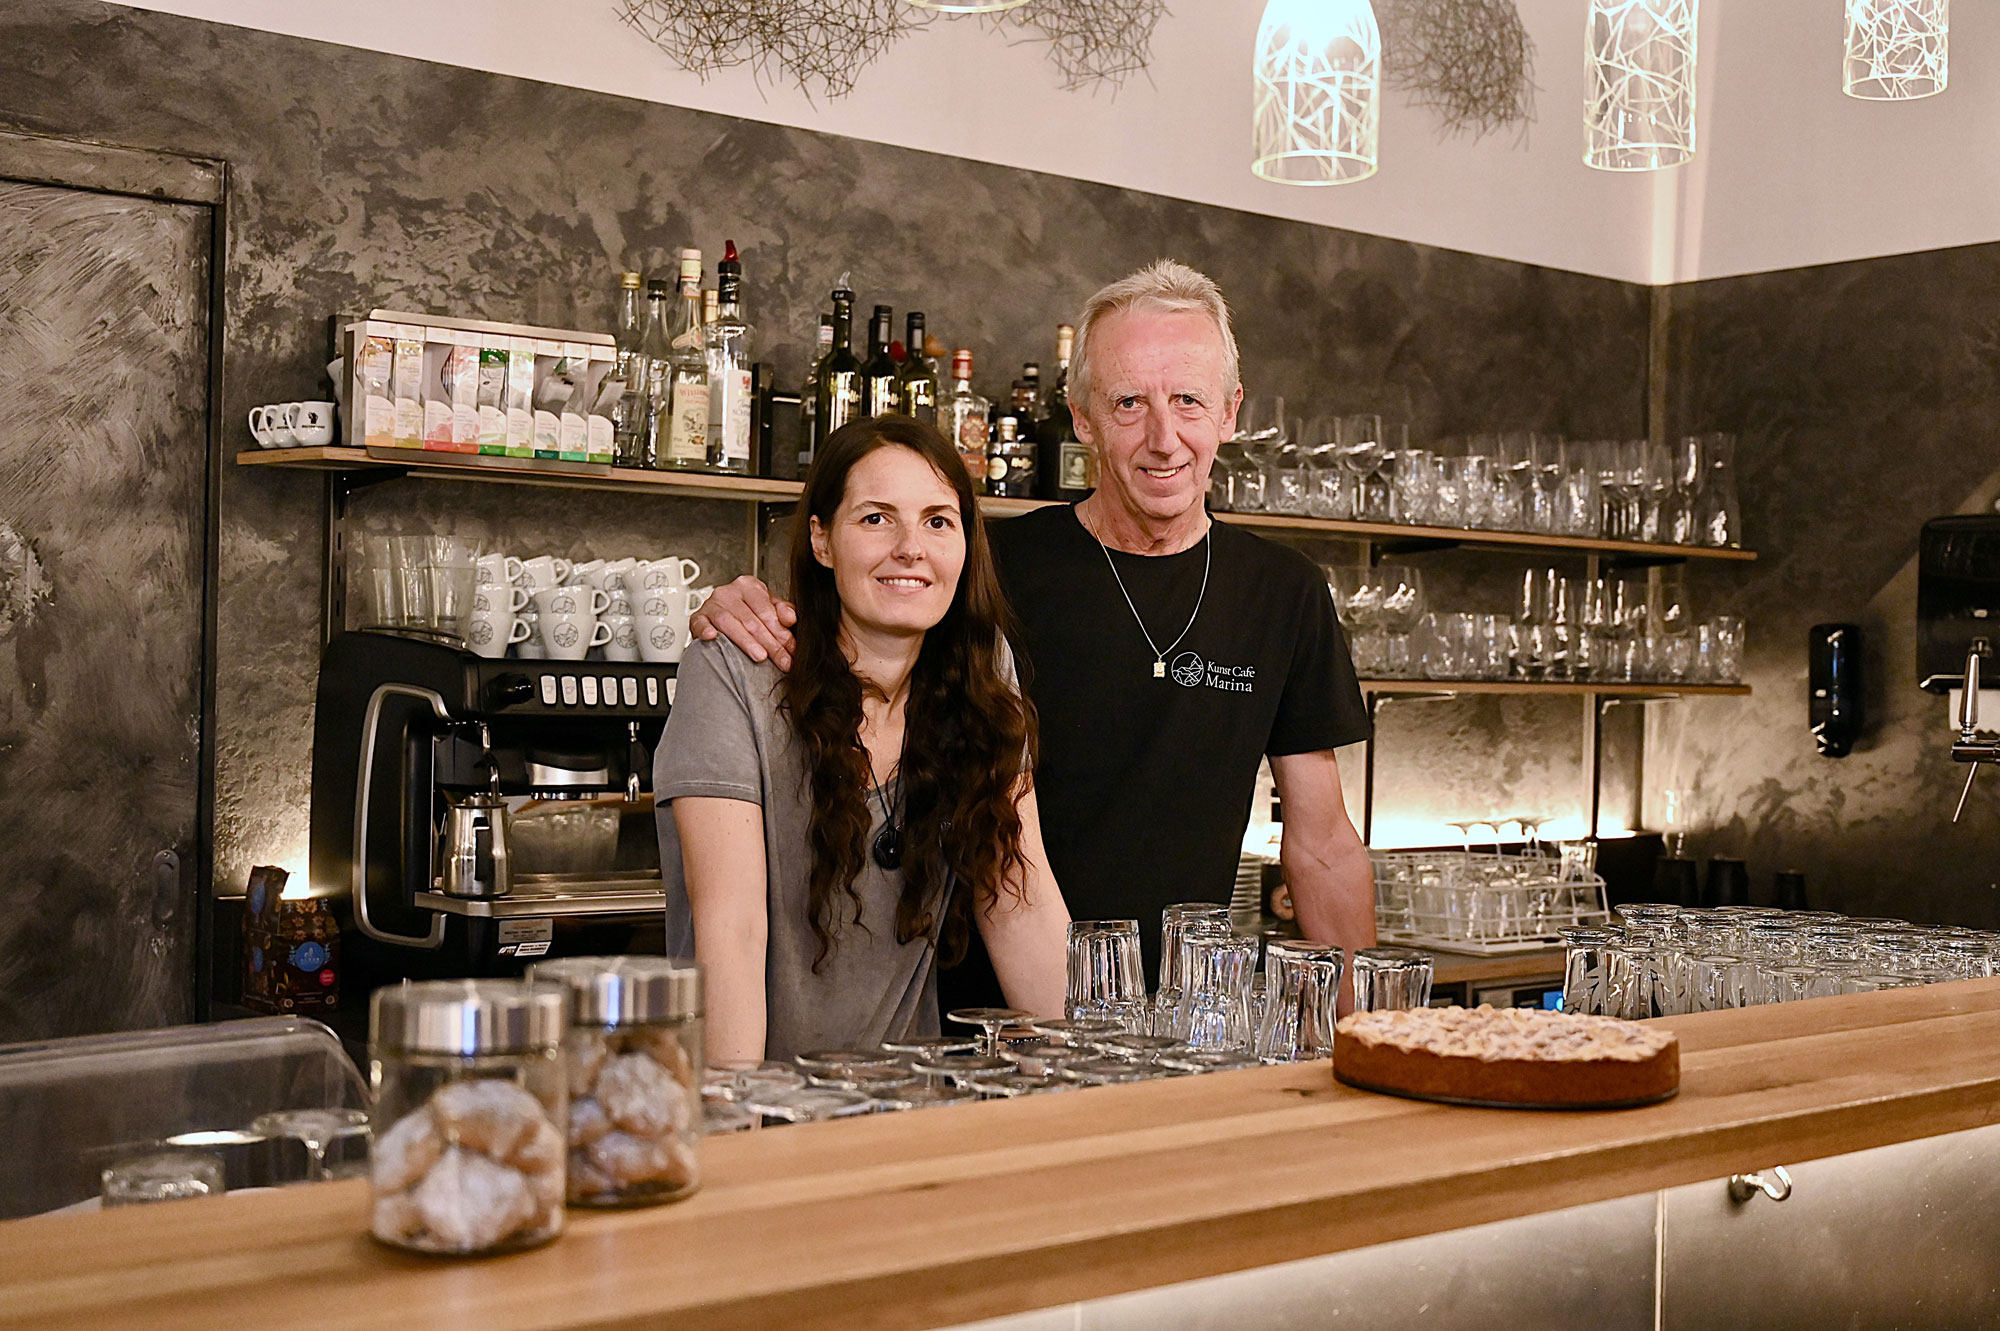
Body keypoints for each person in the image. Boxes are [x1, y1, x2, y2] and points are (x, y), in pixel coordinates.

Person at [692, 260, 1375, 1001]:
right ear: (1081, 417)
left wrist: (1369, 1036)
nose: (1164, 436)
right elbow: (847, 630)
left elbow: (1324, 843)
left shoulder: (1285, 592)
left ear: (1230, 411)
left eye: (1188, 400)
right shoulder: (987, 568)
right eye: (1127, 403)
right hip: (979, 1015)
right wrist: (737, 607)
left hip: (1181, 1016)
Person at [654, 414, 1070, 1064]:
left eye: (938, 520)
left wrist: (1101, 1082)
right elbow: (731, 931)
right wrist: (740, 1127)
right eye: (876, 518)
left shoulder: (981, 675)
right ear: (822, 540)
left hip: (905, 1109)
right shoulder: (736, 671)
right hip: (760, 1102)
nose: (911, 547)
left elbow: (1019, 899)